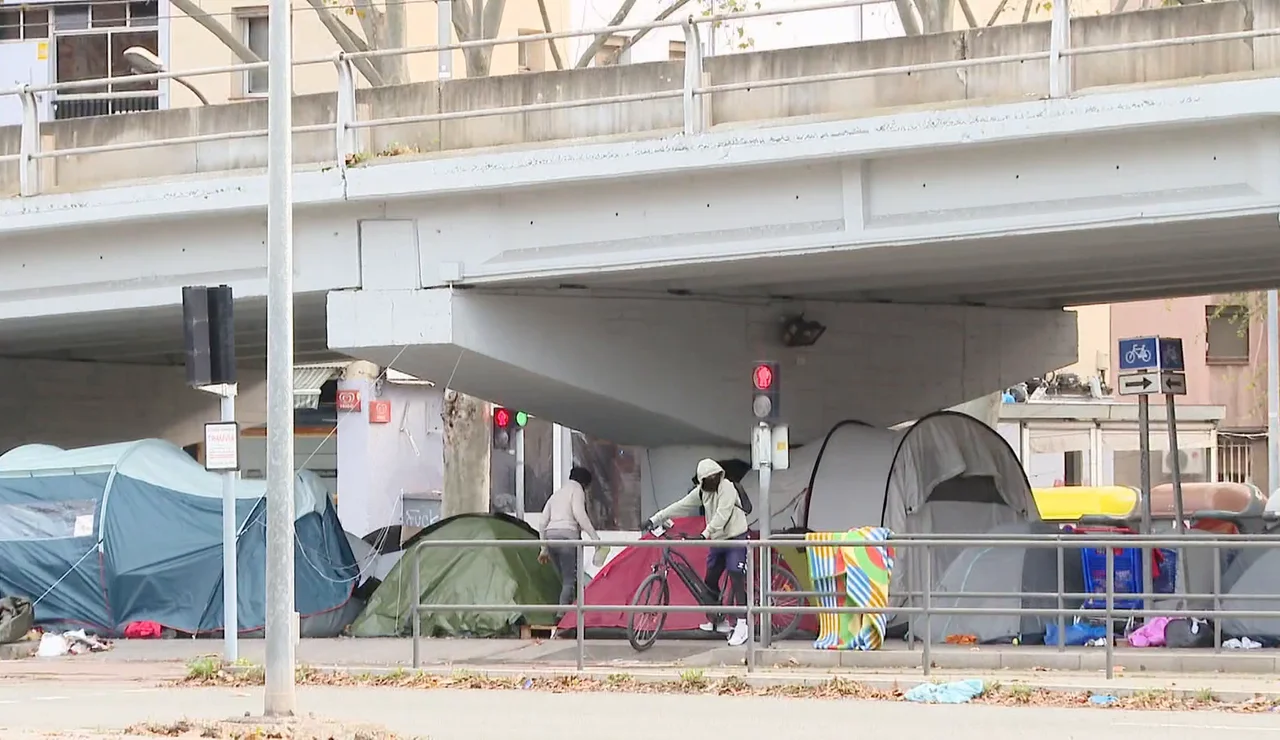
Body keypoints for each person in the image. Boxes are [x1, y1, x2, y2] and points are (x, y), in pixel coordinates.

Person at [645, 458, 751, 647]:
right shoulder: (702, 492)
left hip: (735, 537)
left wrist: (704, 534)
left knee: (736, 576)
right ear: (702, 481)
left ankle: (743, 624)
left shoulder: (726, 487)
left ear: (719, 475)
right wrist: (655, 519)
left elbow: (722, 514)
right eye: (707, 480)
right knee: (710, 580)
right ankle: (718, 620)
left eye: (714, 478)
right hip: (718, 540)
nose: (711, 483)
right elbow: (681, 505)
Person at [538, 467, 600, 614]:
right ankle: (563, 616)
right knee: (569, 581)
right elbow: (579, 514)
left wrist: (544, 547)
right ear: (584, 483)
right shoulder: (577, 490)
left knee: (565, 579)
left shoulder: (557, 494)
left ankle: (570, 611)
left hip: (551, 538)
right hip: (567, 537)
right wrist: (595, 538)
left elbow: (542, 522)